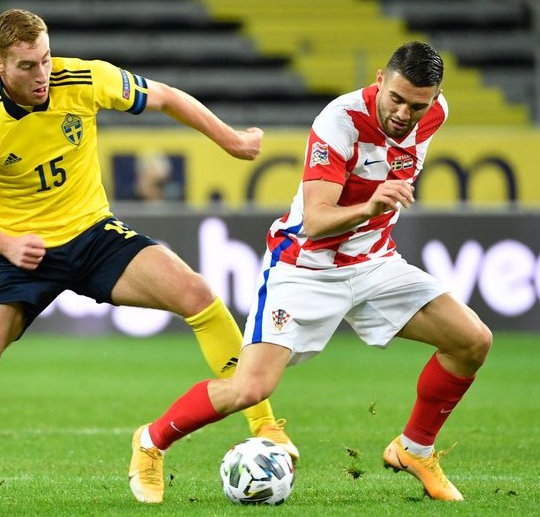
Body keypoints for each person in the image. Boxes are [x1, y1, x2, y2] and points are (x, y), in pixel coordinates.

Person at [0, 8, 298, 504]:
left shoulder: (84, 78)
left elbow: (164, 96)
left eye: (46, 59)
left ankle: (265, 427)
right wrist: (4, 242)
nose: (43, 75)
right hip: (20, 257)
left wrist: (229, 139)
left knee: (198, 295)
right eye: (28, 66)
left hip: (93, 235)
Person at [128, 41, 492, 503]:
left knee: (472, 340)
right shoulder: (338, 122)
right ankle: (151, 441)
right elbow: (317, 221)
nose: (404, 113)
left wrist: (375, 212)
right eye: (395, 98)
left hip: (375, 262)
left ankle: (414, 448)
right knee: (250, 388)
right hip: (305, 266)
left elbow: (405, 140)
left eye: (416, 105)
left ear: (433, 97)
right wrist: (372, 204)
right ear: (379, 79)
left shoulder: (436, 111)